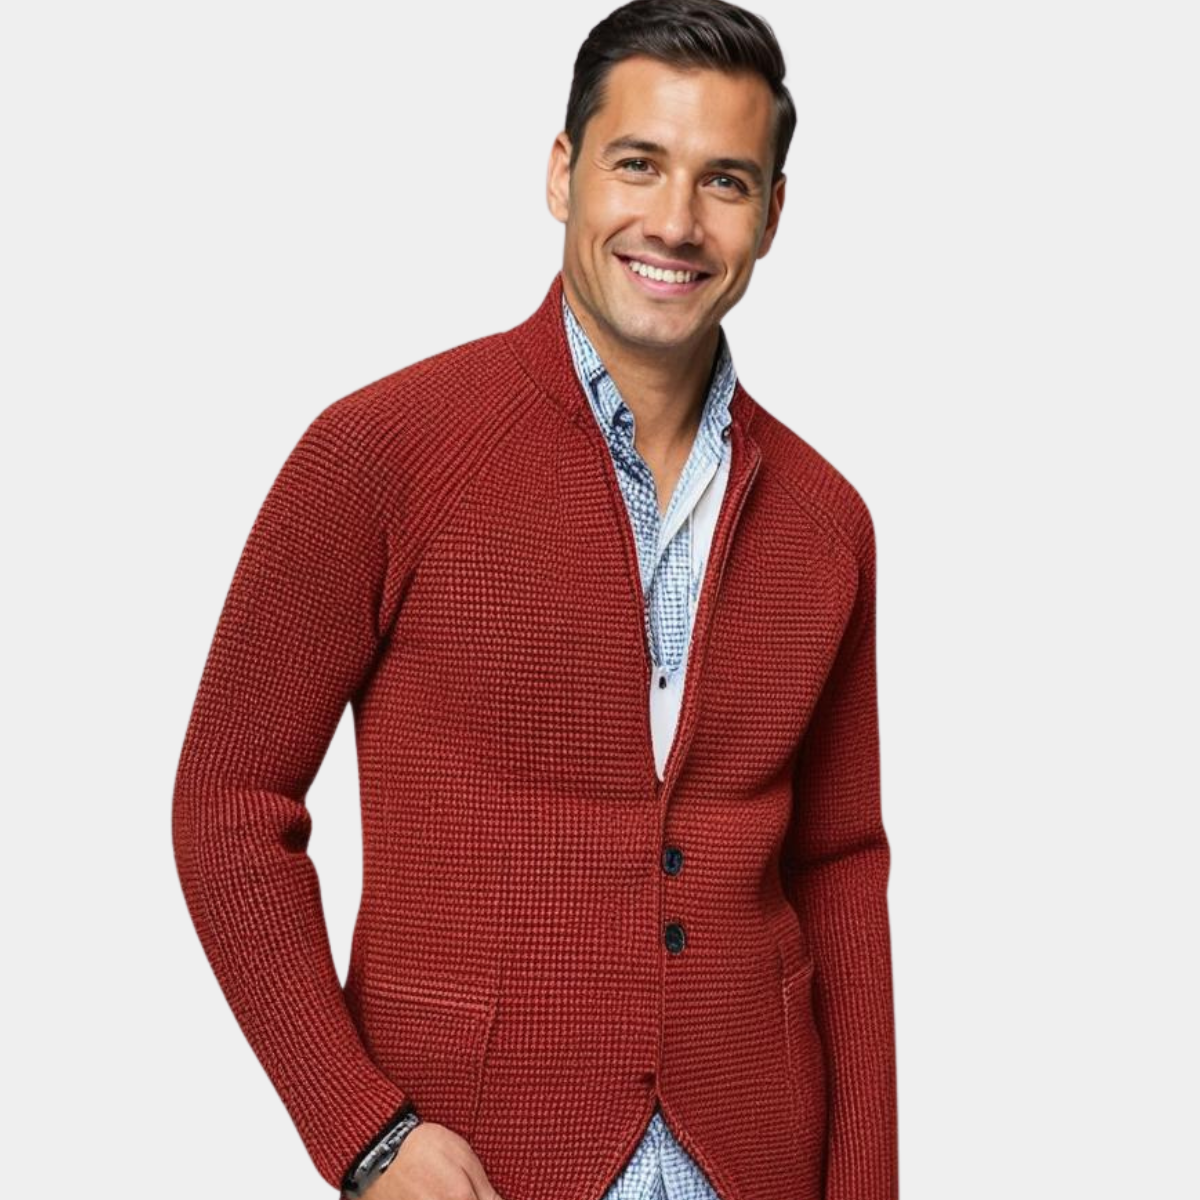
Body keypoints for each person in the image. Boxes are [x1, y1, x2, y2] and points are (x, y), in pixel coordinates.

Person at [171, 1, 899, 1198]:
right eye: (638, 163)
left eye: (724, 181)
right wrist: (364, 1132)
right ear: (563, 174)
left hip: (759, 1151)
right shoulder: (382, 453)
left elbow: (840, 868)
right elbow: (227, 805)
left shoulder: (826, 521)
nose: (676, 221)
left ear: (773, 213)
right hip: (476, 1159)